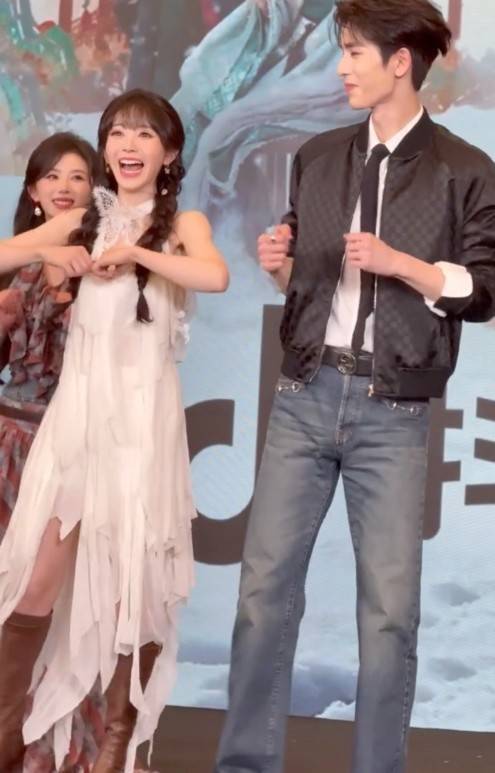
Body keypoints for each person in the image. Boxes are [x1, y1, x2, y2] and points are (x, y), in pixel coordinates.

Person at [214, 2, 495, 773]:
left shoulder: (464, 169)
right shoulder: (317, 156)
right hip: (302, 396)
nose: (339, 68)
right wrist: (279, 263)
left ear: (399, 61)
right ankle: (243, 764)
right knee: (261, 595)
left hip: (392, 409)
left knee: (389, 615)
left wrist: (401, 263)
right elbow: (305, 282)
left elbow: (483, 288)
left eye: (352, 53)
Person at [0, 87, 228, 773]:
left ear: (170, 152)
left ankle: (114, 745)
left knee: (136, 591)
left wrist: (139, 256)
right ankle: (6, 737)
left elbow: (214, 275)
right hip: (76, 424)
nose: (129, 146)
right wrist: (58, 257)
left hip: (140, 428)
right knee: (36, 583)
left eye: (145, 135)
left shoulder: (181, 223)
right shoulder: (80, 221)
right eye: (117, 134)